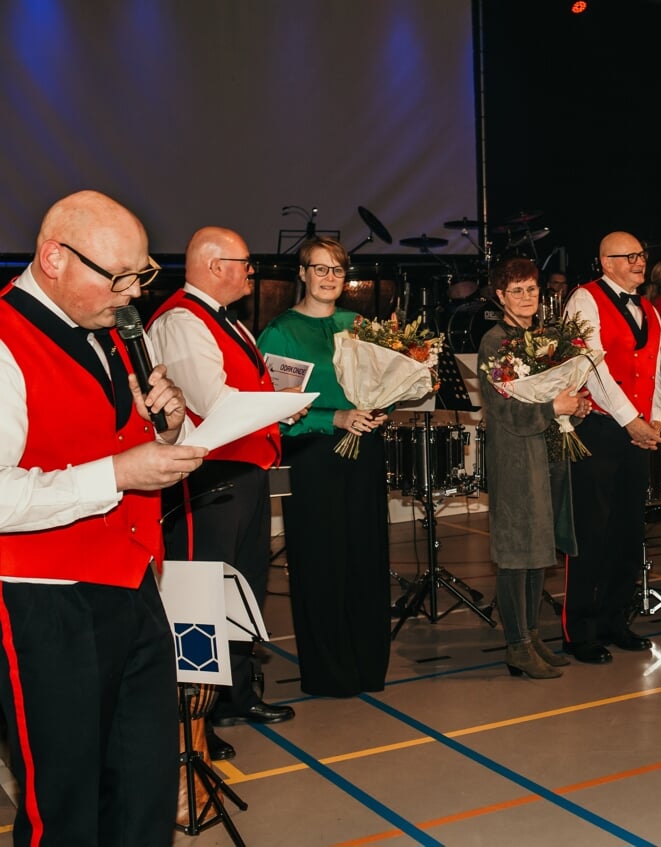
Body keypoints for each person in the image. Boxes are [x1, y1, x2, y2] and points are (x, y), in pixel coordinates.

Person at [0, 190, 206, 846]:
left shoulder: (109, 330)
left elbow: (114, 441)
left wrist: (166, 428)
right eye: (117, 276)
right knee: (65, 806)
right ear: (53, 257)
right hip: (46, 604)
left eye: (140, 274)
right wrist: (118, 474)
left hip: (133, 584)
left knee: (143, 791)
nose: (131, 292)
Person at [148, 226, 297, 761]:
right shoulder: (183, 320)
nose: (251, 272)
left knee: (244, 587)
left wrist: (280, 402)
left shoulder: (223, 320)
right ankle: (194, 716)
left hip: (245, 472)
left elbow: (245, 388)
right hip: (209, 479)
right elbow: (213, 401)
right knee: (202, 597)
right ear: (214, 266)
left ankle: (234, 694)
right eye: (244, 263)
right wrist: (275, 405)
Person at [257, 237, 392, 695]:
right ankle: (329, 671)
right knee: (321, 562)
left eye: (337, 269)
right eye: (320, 269)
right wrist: (334, 416)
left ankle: (367, 665)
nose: (329, 277)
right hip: (314, 456)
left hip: (364, 449)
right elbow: (273, 409)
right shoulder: (281, 332)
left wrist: (379, 407)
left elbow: (380, 381)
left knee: (365, 558)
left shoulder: (357, 324)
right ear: (302, 273)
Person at [480, 257, 589, 678]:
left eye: (532, 289)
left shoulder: (544, 338)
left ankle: (531, 634)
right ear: (501, 296)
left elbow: (555, 393)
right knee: (515, 552)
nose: (527, 297)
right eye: (517, 290)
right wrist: (552, 406)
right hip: (513, 455)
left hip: (545, 451)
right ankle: (517, 644)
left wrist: (573, 406)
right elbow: (503, 410)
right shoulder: (495, 342)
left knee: (538, 550)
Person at [560, 231, 661, 663]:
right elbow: (593, 368)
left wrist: (655, 419)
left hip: (638, 430)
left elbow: (654, 369)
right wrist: (631, 421)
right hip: (600, 431)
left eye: (642, 254)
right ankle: (579, 630)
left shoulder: (650, 309)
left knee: (627, 529)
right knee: (592, 530)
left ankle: (615, 620)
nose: (641, 262)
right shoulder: (584, 300)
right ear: (606, 262)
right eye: (631, 256)